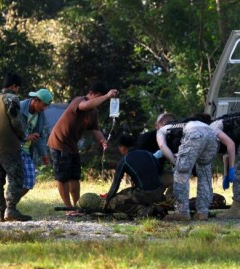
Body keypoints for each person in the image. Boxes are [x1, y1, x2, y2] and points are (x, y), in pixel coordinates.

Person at [47, 82, 118, 213]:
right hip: (59, 142)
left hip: (72, 145)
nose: (99, 101)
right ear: (91, 94)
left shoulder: (94, 112)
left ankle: (77, 206)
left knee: (75, 176)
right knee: (63, 176)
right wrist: (107, 96)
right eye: (98, 97)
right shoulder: (79, 100)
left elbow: (95, 129)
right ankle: (68, 208)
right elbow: (84, 106)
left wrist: (102, 140)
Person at [0, 73, 31, 222]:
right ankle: (11, 209)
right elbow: (16, 121)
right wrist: (24, 136)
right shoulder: (11, 99)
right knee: (16, 177)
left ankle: (0, 212)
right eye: (18, 88)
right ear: (15, 86)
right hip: (9, 146)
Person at [156, 114, 220, 221]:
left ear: (160, 124)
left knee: (181, 173)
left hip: (194, 134)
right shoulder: (182, 124)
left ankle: (182, 212)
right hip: (211, 135)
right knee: (205, 173)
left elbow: (162, 146)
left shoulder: (161, 130)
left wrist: (175, 162)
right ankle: (203, 212)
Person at [102, 134, 165, 218]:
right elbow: (158, 169)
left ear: (122, 148)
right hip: (159, 191)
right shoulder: (148, 154)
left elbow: (115, 185)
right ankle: (156, 206)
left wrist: (107, 200)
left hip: (143, 194)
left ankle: (142, 210)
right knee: (125, 192)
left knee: (113, 202)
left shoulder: (124, 160)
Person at [20, 88, 53, 197]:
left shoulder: (40, 114)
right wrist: (26, 137)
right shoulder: (19, 108)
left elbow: (40, 136)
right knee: (15, 181)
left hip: (26, 151)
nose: (45, 108)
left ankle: (10, 203)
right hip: (13, 149)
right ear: (36, 100)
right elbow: (8, 130)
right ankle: (8, 206)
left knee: (29, 181)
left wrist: (43, 154)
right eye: (44, 105)